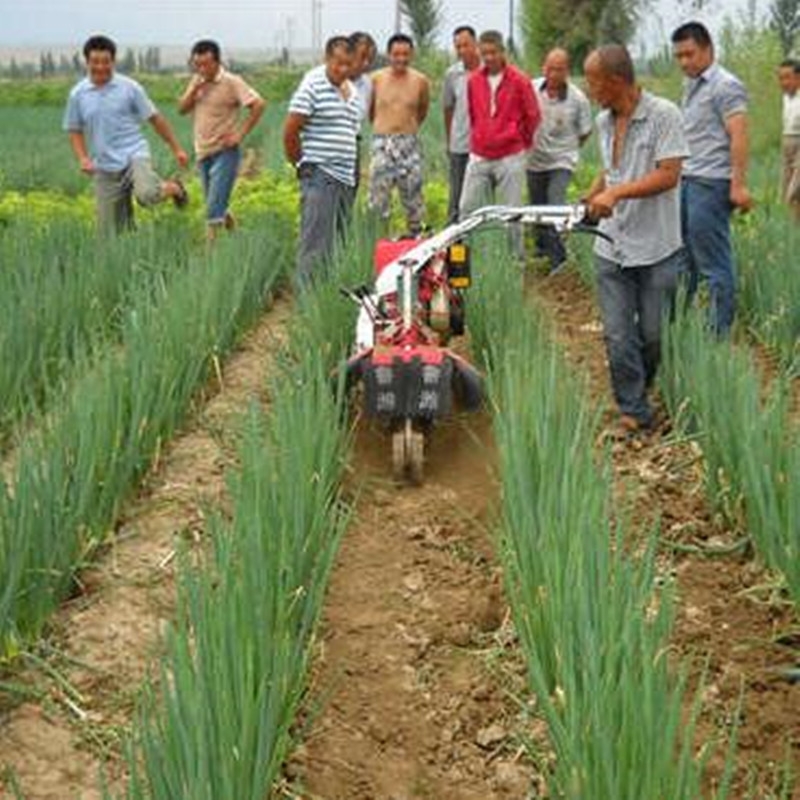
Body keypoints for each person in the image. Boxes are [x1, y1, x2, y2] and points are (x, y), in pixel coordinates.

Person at [583, 45, 689, 434]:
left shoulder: (664, 116)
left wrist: (616, 194)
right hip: (612, 244)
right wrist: (597, 191)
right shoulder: (603, 122)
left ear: (616, 80)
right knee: (617, 333)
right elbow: (612, 170)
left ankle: (642, 389)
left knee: (653, 335)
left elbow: (668, 174)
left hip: (657, 245)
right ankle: (633, 410)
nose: (590, 89)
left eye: (593, 81)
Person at [672, 21, 752, 336]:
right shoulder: (691, 85)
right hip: (688, 180)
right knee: (682, 260)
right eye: (678, 56)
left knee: (713, 263)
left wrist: (738, 184)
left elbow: (739, 135)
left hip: (711, 182)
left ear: (708, 49)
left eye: (689, 54)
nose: (684, 62)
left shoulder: (725, 85)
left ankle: (717, 334)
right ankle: (675, 325)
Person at [64, 35, 189, 236]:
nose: (101, 67)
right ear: (87, 62)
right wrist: (83, 158)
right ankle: (131, 252)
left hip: (134, 154)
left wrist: (176, 148)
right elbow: (74, 129)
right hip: (104, 165)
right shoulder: (78, 94)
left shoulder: (130, 88)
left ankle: (174, 188)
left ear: (113, 61)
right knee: (111, 233)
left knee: (147, 194)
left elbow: (155, 118)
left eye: (106, 62)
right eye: (95, 62)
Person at [283, 36, 361, 286]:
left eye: (348, 64)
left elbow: (352, 131)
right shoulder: (313, 86)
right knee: (315, 245)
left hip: (346, 177)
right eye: (338, 63)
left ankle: (328, 296)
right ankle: (308, 306)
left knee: (338, 241)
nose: (343, 69)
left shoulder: (351, 89)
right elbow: (290, 131)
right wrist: (302, 166)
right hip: (320, 174)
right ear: (327, 58)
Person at [459, 30, 540, 259]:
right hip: (480, 154)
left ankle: (516, 262)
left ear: (502, 51)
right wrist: (480, 136)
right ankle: (468, 260)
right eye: (484, 53)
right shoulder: (474, 81)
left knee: (512, 212)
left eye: (493, 52)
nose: (489, 57)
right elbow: (474, 114)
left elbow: (532, 116)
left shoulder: (519, 80)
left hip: (510, 156)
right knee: (467, 207)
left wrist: (519, 140)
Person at [178, 39, 266, 241]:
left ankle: (211, 259)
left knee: (213, 211)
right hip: (202, 152)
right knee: (217, 204)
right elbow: (182, 109)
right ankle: (238, 240)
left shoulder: (232, 82)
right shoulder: (196, 81)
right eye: (197, 64)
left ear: (217, 62)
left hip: (225, 152)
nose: (201, 69)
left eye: (205, 64)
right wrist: (193, 90)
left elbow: (258, 104)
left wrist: (239, 134)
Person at [528, 47, 593, 272]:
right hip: (534, 159)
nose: (553, 74)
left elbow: (585, 131)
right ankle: (541, 248)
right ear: (543, 68)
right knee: (536, 206)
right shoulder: (532, 88)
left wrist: (569, 150)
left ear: (566, 71)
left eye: (559, 69)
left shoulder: (578, 99)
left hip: (562, 161)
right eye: (550, 68)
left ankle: (559, 259)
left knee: (554, 206)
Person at [368, 33, 430, 235]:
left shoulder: (420, 81)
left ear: (411, 54)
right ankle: (377, 243)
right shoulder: (376, 79)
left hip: (409, 145)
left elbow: (422, 111)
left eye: (405, 54)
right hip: (382, 144)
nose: (401, 59)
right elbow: (370, 112)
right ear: (389, 54)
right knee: (378, 201)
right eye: (396, 54)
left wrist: (406, 129)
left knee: (414, 200)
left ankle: (417, 244)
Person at [442, 25, 481, 222]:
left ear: (476, 44)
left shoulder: (488, 71)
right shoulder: (452, 74)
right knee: (455, 198)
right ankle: (452, 243)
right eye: (458, 46)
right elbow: (448, 108)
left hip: (485, 147)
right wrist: (449, 141)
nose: (462, 50)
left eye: (466, 45)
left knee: (481, 197)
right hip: (460, 145)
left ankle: (480, 241)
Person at [348, 31, 377, 188]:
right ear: (349, 53)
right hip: (327, 151)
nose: (366, 63)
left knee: (349, 196)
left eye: (370, 59)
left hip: (353, 147)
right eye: (362, 57)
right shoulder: (332, 79)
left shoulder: (367, 83)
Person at [778, 58, 800, 216]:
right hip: (787, 142)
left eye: (787, 77)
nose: (783, 82)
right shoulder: (786, 97)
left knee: (794, 191)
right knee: (786, 188)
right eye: (780, 78)